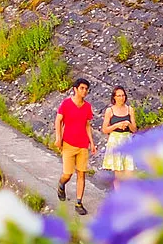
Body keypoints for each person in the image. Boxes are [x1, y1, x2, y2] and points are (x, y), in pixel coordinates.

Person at [55, 78, 96, 215]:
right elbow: (58, 120)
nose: (84, 91)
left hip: (83, 145)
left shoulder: (87, 106)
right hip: (68, 143)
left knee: (81, 173)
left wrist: (92, 142)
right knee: (67, 174)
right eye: (82, 88)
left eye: (86, 89)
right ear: (75, 89)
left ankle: (79, 202)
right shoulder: (66, 104)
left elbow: (87, 124)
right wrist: (58, 138)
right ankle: (61, 184)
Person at [101, 86, 138, 185]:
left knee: (130, 171)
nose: (121, 98)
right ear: (114, 97)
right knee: (119, 173)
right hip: (115, 140)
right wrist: (116, 125)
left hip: (127, 139)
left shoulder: (130, 109)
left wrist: (128, 124)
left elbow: (134, 129)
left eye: (123, 95)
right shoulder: (110, 110)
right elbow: (105, 129)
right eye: (119, 96)